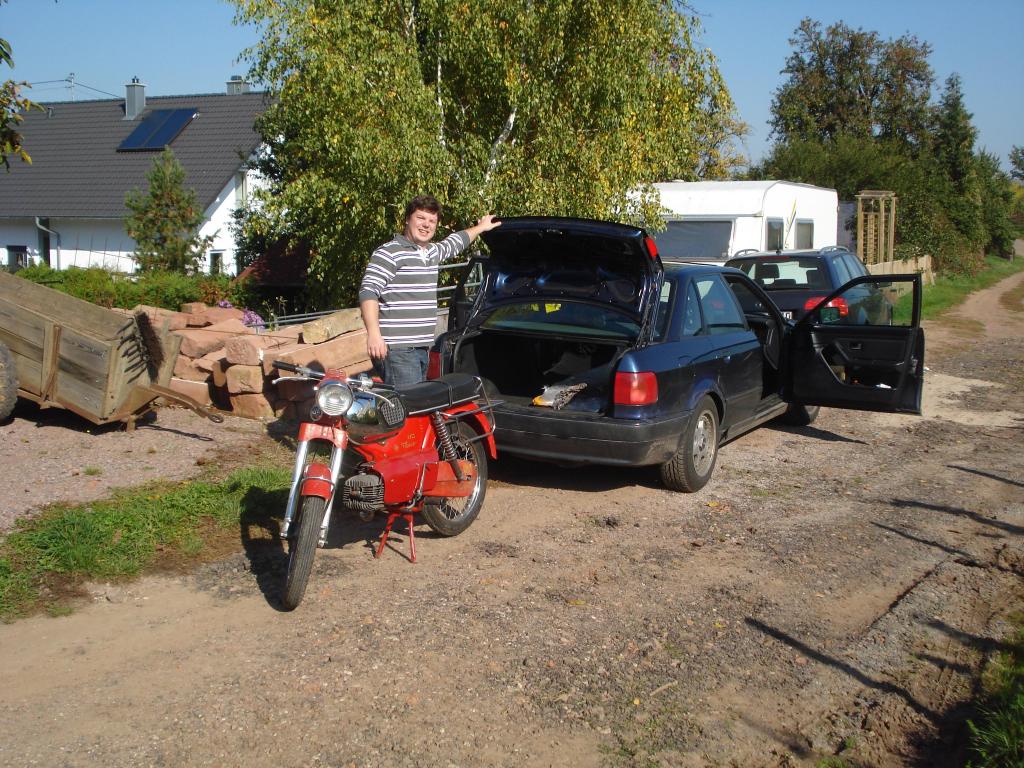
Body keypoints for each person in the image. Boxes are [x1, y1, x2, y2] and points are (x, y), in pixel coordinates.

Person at [359, 195, 501, 386]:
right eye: (420, 218)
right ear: (407, 219)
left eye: (432, 221)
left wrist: (481, 227)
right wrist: (374, 335)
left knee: (414, 401)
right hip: (398, 348)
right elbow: (368, 291)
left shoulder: (431, 252)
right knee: (411, 402)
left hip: (421, 347)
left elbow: (455, 242)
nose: (426, 224)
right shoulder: (389, 252)